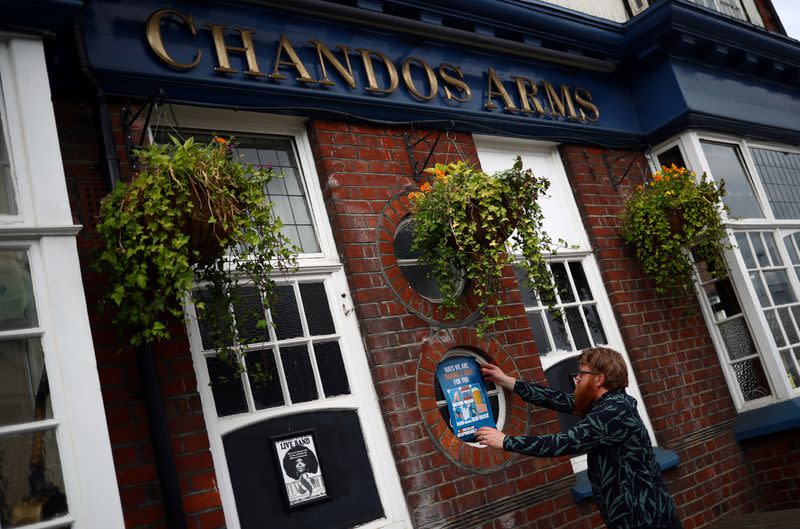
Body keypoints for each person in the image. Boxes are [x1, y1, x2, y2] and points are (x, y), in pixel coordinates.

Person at [477, 347, 682, 529]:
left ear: (599, 379)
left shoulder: (612, 413)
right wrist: (507, 381)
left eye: (582, 374)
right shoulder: (608, 404)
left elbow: (563, 442)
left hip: (646, 520)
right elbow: (557, 399)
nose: (576, 378)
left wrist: (505, 441)